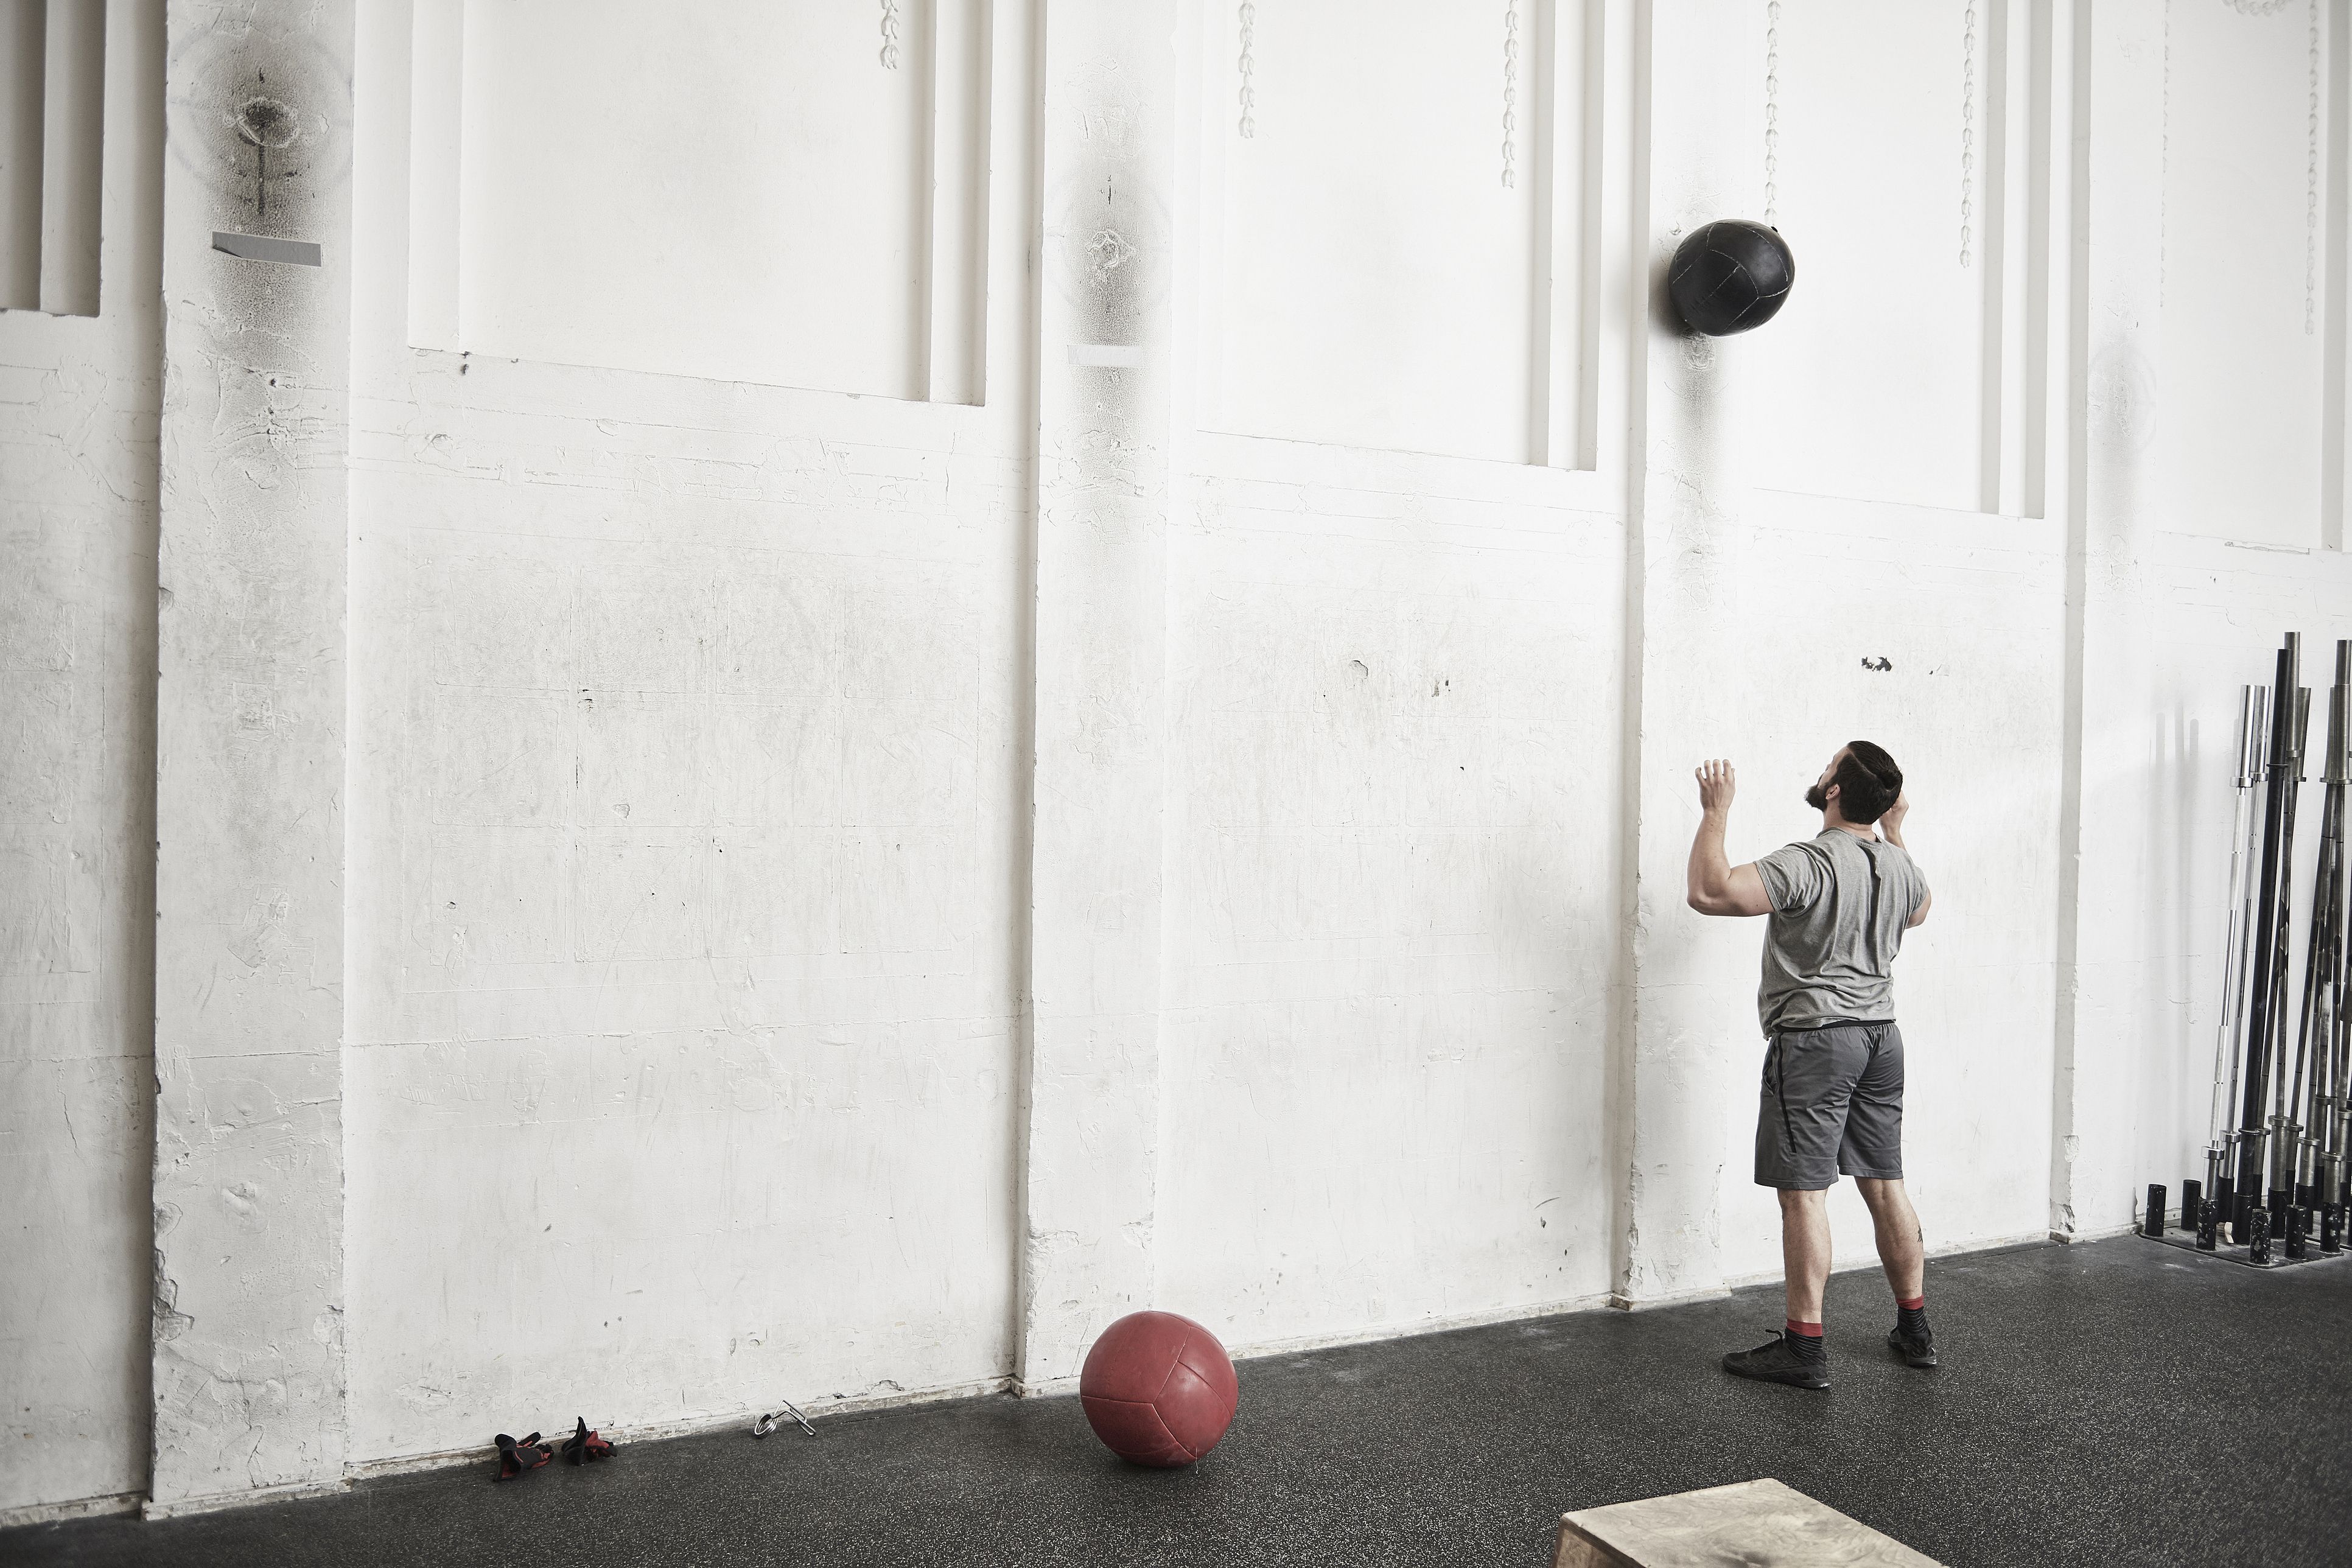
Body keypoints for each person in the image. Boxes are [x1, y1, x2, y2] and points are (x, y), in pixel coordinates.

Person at [1684, 744, 1934, 1390]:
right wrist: (1896, 828)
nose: (1821, 770)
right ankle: (1915, 1328)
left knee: (1805, 1194)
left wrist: (1716, 810)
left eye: (1830, 765)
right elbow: (1919, 908)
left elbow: (1710, 892)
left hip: (1819, 1042)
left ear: (1832, 791)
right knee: (1885, 1181)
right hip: (1882, 1039)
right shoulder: (1898, 865)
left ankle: (1804, 1344)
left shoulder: (1811, 860)